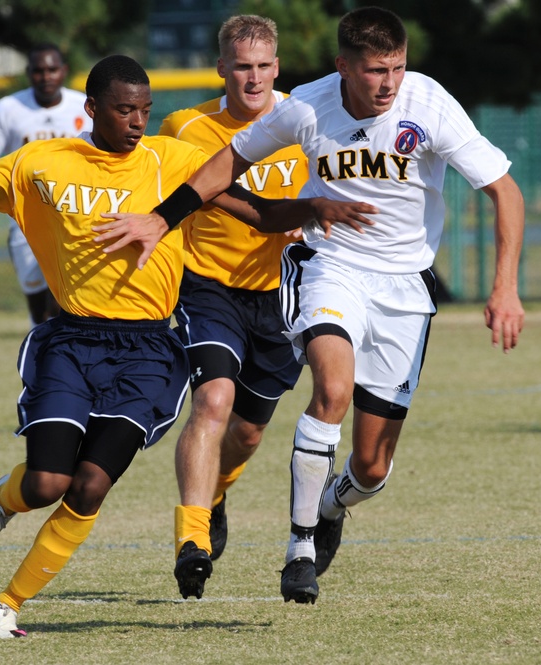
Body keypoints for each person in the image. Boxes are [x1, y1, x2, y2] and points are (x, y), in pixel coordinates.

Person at [0, 55, 373, 637]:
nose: (138, 121)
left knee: (90, 485)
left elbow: (256, 210)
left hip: (147, 351)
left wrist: (314, 207)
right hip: (70, 340)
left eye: (144, 109)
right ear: (91, 109)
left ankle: (9, 603)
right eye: (124, 110)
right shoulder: (41, 165)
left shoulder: (173, 161)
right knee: (45, 484)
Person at [97, 7, 526, 605]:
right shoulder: (306, 107)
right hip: (332, 266)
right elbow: (226, 164)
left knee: (371, 468)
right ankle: (299, 548)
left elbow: (504, 190)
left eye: (397, 69)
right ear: (342, 66)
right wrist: (161, 220)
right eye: (376, 71)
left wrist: (504, 287)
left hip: (405, 284)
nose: (389, 84)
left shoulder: (428, 105)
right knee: (331, 390)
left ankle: (331, 505)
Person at [157, 15, 308, 600]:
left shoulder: (304, 118)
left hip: (281, 295)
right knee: (212, 400)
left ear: (277, 67)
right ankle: (191, 539)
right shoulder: (185, 127)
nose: (253, 78)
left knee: (246, 435)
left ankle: (216, 494)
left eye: (263, 66)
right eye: (241, 67)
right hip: (208, 288)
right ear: (222, 68)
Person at [0, 43, 91, 327]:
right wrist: (9, 188)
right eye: (38, 70)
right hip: (28, 217)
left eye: (52, 69)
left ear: (64, 71)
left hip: (75, 214)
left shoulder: (84, 106)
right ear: (28, 73)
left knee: (65, 301)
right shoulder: (8, 109)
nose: (46, 76)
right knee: (38, 306)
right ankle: (41, 354)